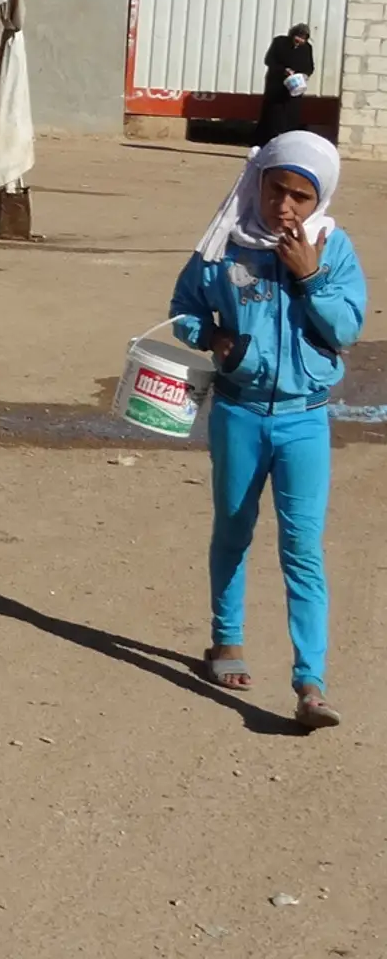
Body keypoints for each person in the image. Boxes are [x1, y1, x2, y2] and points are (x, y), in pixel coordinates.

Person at [171, 130, 366, 731]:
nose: (285, 207)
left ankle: (311, 682)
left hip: (305, 420)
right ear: (257, 182)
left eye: (301, 198)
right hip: (238, 413)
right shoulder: (223, 247)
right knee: (233, 530)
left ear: (319, 199)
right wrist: (209, 337)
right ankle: (225, 642)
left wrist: (308, 277)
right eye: (276, 189)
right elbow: (182, 309)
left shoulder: (333, 250)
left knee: (302, 549)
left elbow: (347, 330)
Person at [256, 23, 314, 145]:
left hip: (293, 88)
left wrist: (304, 75)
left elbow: (310, 67)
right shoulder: (279, 42)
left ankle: (287, 142)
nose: (300, 41)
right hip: (276, 86)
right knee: (273, 115)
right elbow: (269, 60)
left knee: (291, 115)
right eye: (298, 37)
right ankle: (268, 142)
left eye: (303, 38)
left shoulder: (307, 48)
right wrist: (284, 70)